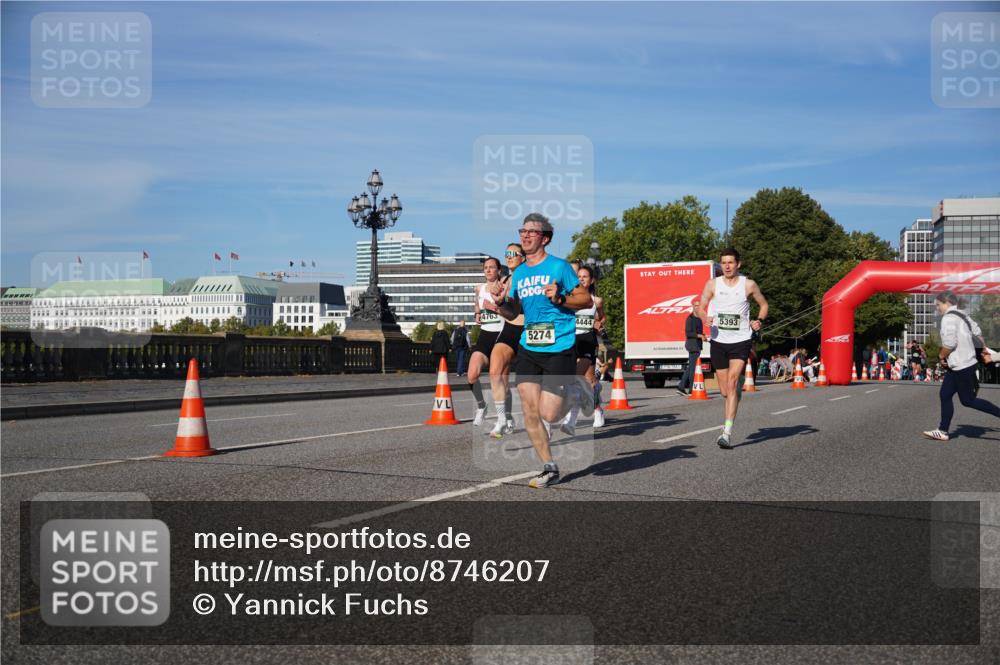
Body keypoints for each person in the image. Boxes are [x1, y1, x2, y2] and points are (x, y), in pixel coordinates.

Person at [489, 213, 592, 487]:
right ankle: (549, 466)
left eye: (531, 232)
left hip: (559, 345)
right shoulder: (519, 272)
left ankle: (577, 390)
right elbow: (514, 311)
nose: (525, 235)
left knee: (550, 414)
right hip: (529, 346)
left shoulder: (559, 267)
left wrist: (560, 297)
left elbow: (585, 298)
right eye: (523, 231)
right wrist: (501, 303)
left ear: (545, 238)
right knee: (529, 410)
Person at [696, 247, 768, 449]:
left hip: (741, 340)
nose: (727, 266)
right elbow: (701, 307)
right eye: (724, 263)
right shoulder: (712, 284)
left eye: (730, 262)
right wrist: (704, 317)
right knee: (725, 391)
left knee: (732, 382)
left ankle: (726, 432)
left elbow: (764, 305)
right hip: (719, 341)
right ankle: (735, 391)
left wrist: (758, 321)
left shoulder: (749, 284)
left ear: (738, 264)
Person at [923, 291, 999, 441]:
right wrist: (983, 349)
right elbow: (978, 333)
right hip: (963, 363)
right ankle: (943, 430)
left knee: (968, 400)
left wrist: (941, 356)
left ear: (947, 303)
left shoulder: (948, 318)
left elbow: (950, 344)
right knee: (945, 394)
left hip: (961, 364)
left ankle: (943, 430)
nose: (937, 308)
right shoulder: (963, 315)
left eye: (938, 305)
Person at [480, 243, 526, 439]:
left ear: (523, 257)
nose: (509, 256)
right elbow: (509, 313)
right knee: (494, 370)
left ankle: (545, 418)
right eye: (506, 253)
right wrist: (498, 304)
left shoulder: (530, 275)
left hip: (530, 330)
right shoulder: (505, 281)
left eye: (513, 253)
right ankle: (501, 419)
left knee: (529, 382)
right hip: (510, 329)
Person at [561, 264, 606, 433]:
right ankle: (572, 416)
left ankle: (597, 410)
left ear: (591, 280)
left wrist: (599, 324)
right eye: (578, 276)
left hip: (587, 340)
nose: (581, 279)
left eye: (584, 276)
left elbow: (602, 318)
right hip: (571, 340)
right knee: (574, 380)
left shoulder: (597, 300)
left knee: (586, 379)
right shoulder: (570, 298)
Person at [467, 258, 505, 426]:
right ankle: (482, 406)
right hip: (485, 335)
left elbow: (514, 311)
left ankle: (504, 417)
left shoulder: (505, 288)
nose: (488, 270)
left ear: (499, 271)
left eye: (492, 268)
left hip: (502, 336)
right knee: (472, 374)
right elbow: (477, 302)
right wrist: (477, 313)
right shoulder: (479, 288)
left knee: (499, 379)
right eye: (486, 268)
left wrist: (495, 308)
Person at [677, 300, 705, 396]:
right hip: (692, 346)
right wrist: (699, 336)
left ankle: (681, 387)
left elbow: (699, 333)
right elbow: (688, 333)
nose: (697, 308)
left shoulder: (699, 319)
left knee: (690, 368)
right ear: (693, 307)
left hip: (697, 346)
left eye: (699, 306)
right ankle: (691, 390)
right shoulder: (690, 318)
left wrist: (703, 337)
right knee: (693, 369)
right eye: (696, 306)